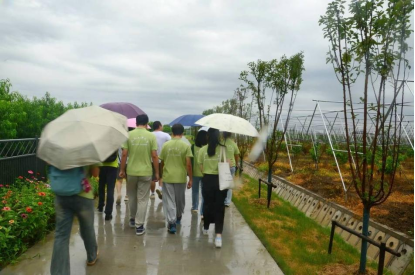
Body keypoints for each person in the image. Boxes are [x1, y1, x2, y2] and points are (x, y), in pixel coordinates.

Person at [50, 166, 99, 275]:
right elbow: (95, 173)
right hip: (83, 195)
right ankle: (92, 256)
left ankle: (59, 272)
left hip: (61, 196)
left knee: (61, 236)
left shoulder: (57, 149)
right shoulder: (87, 149)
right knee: (87, 228)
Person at [119, 114, 159, 236]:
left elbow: (124, 154)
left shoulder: (129, 135)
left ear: (136, 123)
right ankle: (139, 226)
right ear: (147, 124)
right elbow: (154, 156)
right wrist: (157, 172)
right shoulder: (151, 136)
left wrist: (122, 169)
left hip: (131, 171)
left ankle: (132, 219)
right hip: (146, 172)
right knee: (142, 199)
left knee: (132, 196)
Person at [159, 124, 193, 234]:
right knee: (180, 200)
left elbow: (162, 162)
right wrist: (191, 179)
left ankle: (172, 222)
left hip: (168, 176)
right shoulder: (186, 146)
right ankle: (177, 218)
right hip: (181, 177)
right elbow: (188, 164)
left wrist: (161, 175)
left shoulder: (166, 145)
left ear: (172, 133)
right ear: (182, 133)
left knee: (170, 200)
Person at [198, 128, 228, 248]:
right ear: (218, 136)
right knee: (219, 207)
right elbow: (226, 165)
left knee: (208, 204)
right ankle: (218, 236)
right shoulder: (223, 148)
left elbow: (201, 167)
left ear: (208, 136)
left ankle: (206, 227)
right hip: (220, 181)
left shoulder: (202, 150)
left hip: (207, 180)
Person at [151, 121, 171, 200]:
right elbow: (170, 144)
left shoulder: (150, 135)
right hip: (163, 159)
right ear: (159, 126)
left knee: (152, 177)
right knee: (161, 176)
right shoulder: (166, 135)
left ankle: (152, 193)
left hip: (152, 159)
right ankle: (160, 188)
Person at [191, 129, 208, 216]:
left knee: (195, 191)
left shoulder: (193, 147)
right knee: (204, 192)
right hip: (205, 173)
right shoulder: (208, 148)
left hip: (195, 173)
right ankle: (202, 211)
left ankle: (195, 207)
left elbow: (190, 160)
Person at [98, 151, 118, 220]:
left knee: (101, 186)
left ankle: (100, 206)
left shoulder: (101, 140)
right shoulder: (114, 141)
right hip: (113, 166)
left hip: (102, 165)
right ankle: (108, 213)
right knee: (110, 189)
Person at [223, 132, 240, 207]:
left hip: (223, 165)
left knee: (223, 183)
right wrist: (236, 164)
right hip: (232, 166)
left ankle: (223, 199)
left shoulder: (221, 143)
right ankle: (228, 201)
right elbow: (236, 155)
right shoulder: (233, 144)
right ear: (230, 135)